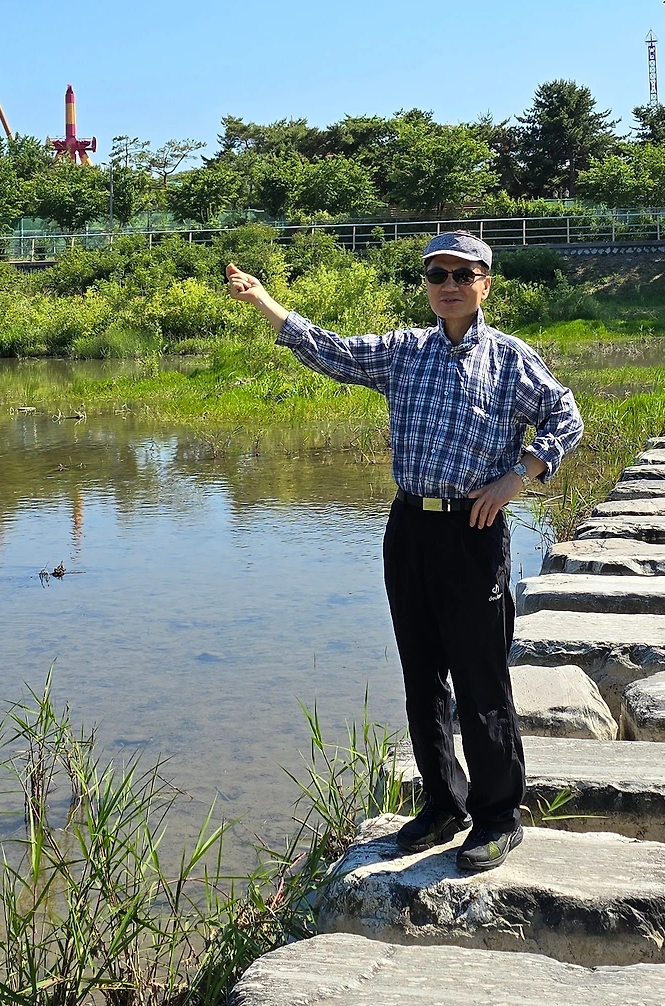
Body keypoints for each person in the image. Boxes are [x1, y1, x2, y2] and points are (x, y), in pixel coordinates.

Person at [225, 230, 583, 874]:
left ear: (485, 285)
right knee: (421, 676)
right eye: (437, 274)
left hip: (473, 529)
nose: (449, 285)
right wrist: (263, 301)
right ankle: (444, 803)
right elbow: (331, 352)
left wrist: (517, 476)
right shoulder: (404, 351)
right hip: (410, 527)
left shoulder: (508, 359)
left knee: (480, 677)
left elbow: (566, 416)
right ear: (427, 285)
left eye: (463, 274)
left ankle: (498, 815)